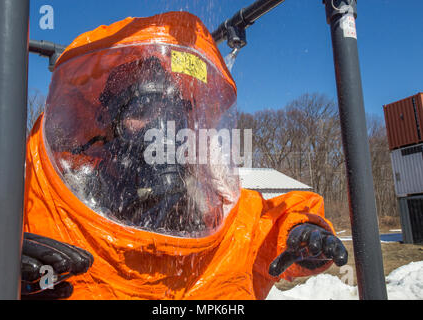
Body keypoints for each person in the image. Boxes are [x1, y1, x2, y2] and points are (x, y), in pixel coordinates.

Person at [22, 11, 347, 300]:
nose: (160, 126)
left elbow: (265, 226)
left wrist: (299, 235)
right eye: (142, 108)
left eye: (171, 111)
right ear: (108, 122)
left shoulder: (214, 213)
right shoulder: (58, 205)